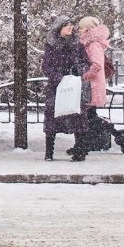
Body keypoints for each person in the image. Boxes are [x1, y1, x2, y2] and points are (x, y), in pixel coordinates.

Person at [42, 16, 92, 162]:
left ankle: (80, 151)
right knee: (52, 118)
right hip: (56, 86)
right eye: (67, 25)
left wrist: (78, 71)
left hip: (74, 85)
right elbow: (46, 66)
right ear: (59, 28)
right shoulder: (51, 44)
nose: (70, 28)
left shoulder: (77, 44)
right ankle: (49, 152)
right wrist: (58, 77)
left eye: (71, 25)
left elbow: (85, 62)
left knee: (78, 116)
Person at [78, 16, 124, 153]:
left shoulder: (93, 44)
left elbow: (97, 65)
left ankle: (118, 134)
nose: (79, 30)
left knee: (88, 116)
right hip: (92, 84)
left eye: (81, 28)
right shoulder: (91, 43)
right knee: (89, 115)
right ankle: (115, 135)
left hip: (92, 85)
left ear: (88, 29)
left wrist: (84, 76)